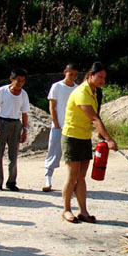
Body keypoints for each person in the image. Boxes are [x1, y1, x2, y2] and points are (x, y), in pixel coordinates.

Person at [61, 61, 117, 224]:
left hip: (84, 137)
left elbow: (95, 116)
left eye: (104, 78)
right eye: (100, 77)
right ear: (91, 75)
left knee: (81, 177)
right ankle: (66, 210)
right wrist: (109, 139)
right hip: (72, 137)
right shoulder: (81, 92)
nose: (102, 81)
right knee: (72, 177)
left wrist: (101, 134)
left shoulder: (95, 92)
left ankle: (83, 212)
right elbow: (94, 118)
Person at [0, 68, 30, 192]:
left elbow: (24, 113)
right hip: (2, 122)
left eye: (23, 81)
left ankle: (11, 181)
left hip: (15, 124)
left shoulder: (23, 94)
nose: (20, 83)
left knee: (13, 155)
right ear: (12, 79)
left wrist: (24, 130)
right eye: (18, 80)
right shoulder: (3, 91)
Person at [42, 63, 78, 192]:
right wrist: (56, 123)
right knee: (53, 152)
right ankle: (48, 178)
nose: (72, 77)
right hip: (58, 126)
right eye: (70, 74)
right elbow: (52, 106)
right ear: (65, 73)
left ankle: (73, 182)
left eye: (75, 75)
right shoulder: (56, 86)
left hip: (72, 127)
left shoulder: (77, 89)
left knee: (72, 156)